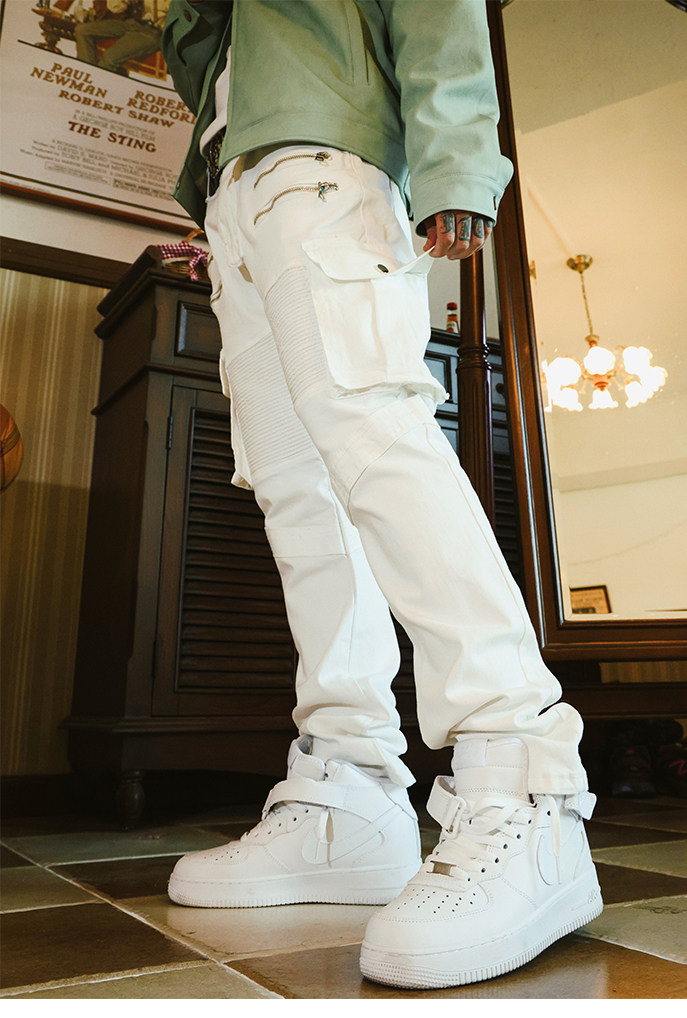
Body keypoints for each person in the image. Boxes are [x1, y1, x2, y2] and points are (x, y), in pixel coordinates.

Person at [162, 0, 602, 990]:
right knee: (298, 499)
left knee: (378, 445)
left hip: (326, 163)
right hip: (235, 195)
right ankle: (348, 791)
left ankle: (524, 776)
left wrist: (457, 162)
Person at [74, 0, 169, 75]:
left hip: (153, 32)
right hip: (132, 23)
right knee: (82, 30)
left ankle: (97, 83)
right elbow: (115, 8)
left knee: (109, 58)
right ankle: (87, 73)